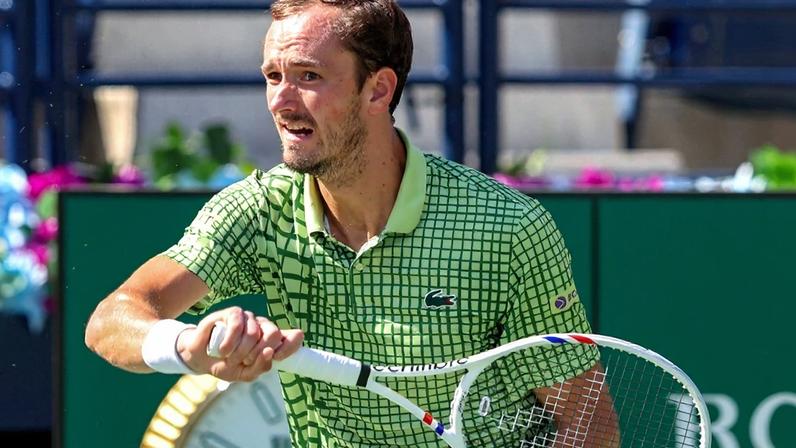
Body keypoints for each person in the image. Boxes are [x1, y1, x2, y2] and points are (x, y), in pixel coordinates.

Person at [85, 0, 616, 446]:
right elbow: (113, 319)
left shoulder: (507, 227)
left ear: (378, 90)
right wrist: (189, 346)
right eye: (273, 76)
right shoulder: (257, 212)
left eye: (308, 76)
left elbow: (587, 427)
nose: (281, 101)